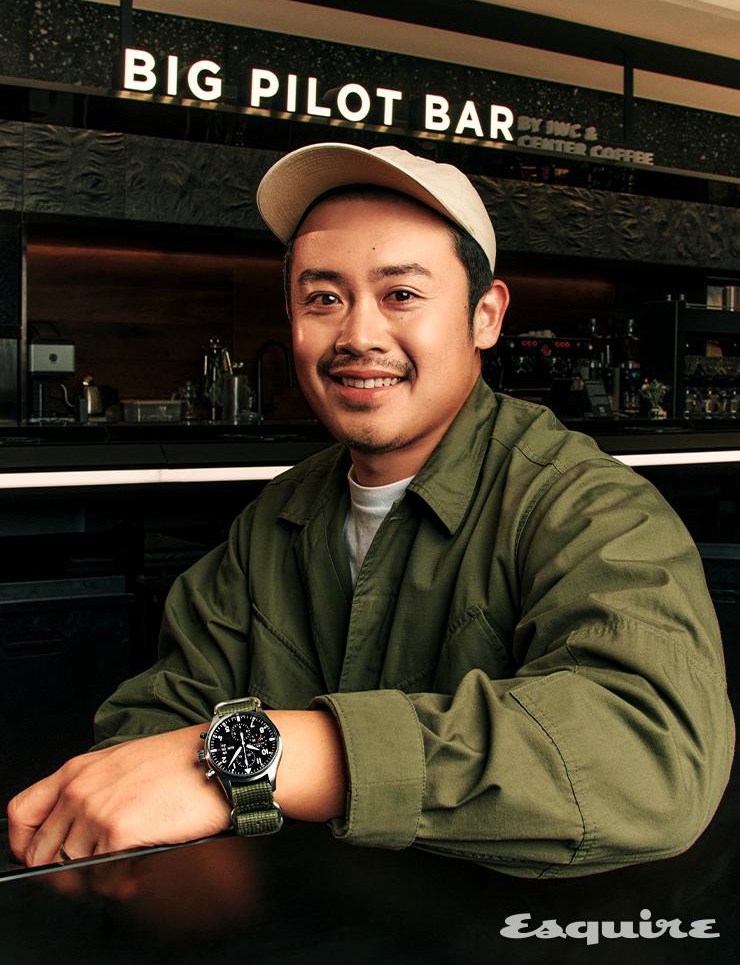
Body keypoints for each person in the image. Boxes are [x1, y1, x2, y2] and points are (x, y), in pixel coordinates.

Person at [8, 143, 734, 876]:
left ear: (485, 316)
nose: (357, 335)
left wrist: (273, 757)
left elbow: (655, 760)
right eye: (324, 298)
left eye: (401, 295)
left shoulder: (589, 509)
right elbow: (156, 726)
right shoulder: (277, 517)